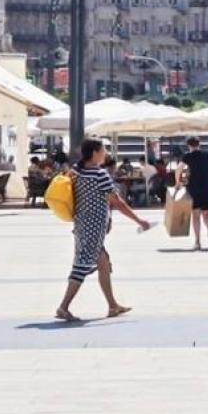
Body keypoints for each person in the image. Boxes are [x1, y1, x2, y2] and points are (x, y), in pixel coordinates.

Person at [54, 138, 150, 322]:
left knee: (103, 263)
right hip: (93, 227)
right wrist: (139, 220)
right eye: (103, 150)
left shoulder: (76, 171)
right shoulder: (99, 175)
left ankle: (113, 306)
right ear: (95, 153)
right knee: (81, 265)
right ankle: (63, 307)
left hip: (82, 224)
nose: (105, 153)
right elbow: (117, 201)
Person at [178, 137, 208, 251]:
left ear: (188, 146)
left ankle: (197, 241)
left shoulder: (187, 156)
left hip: (194, 188)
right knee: (206, 213)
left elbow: (179, 169)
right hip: (207, 187)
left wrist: (178, 181)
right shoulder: (207, 154)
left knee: (196, 215)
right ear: (199, 144)